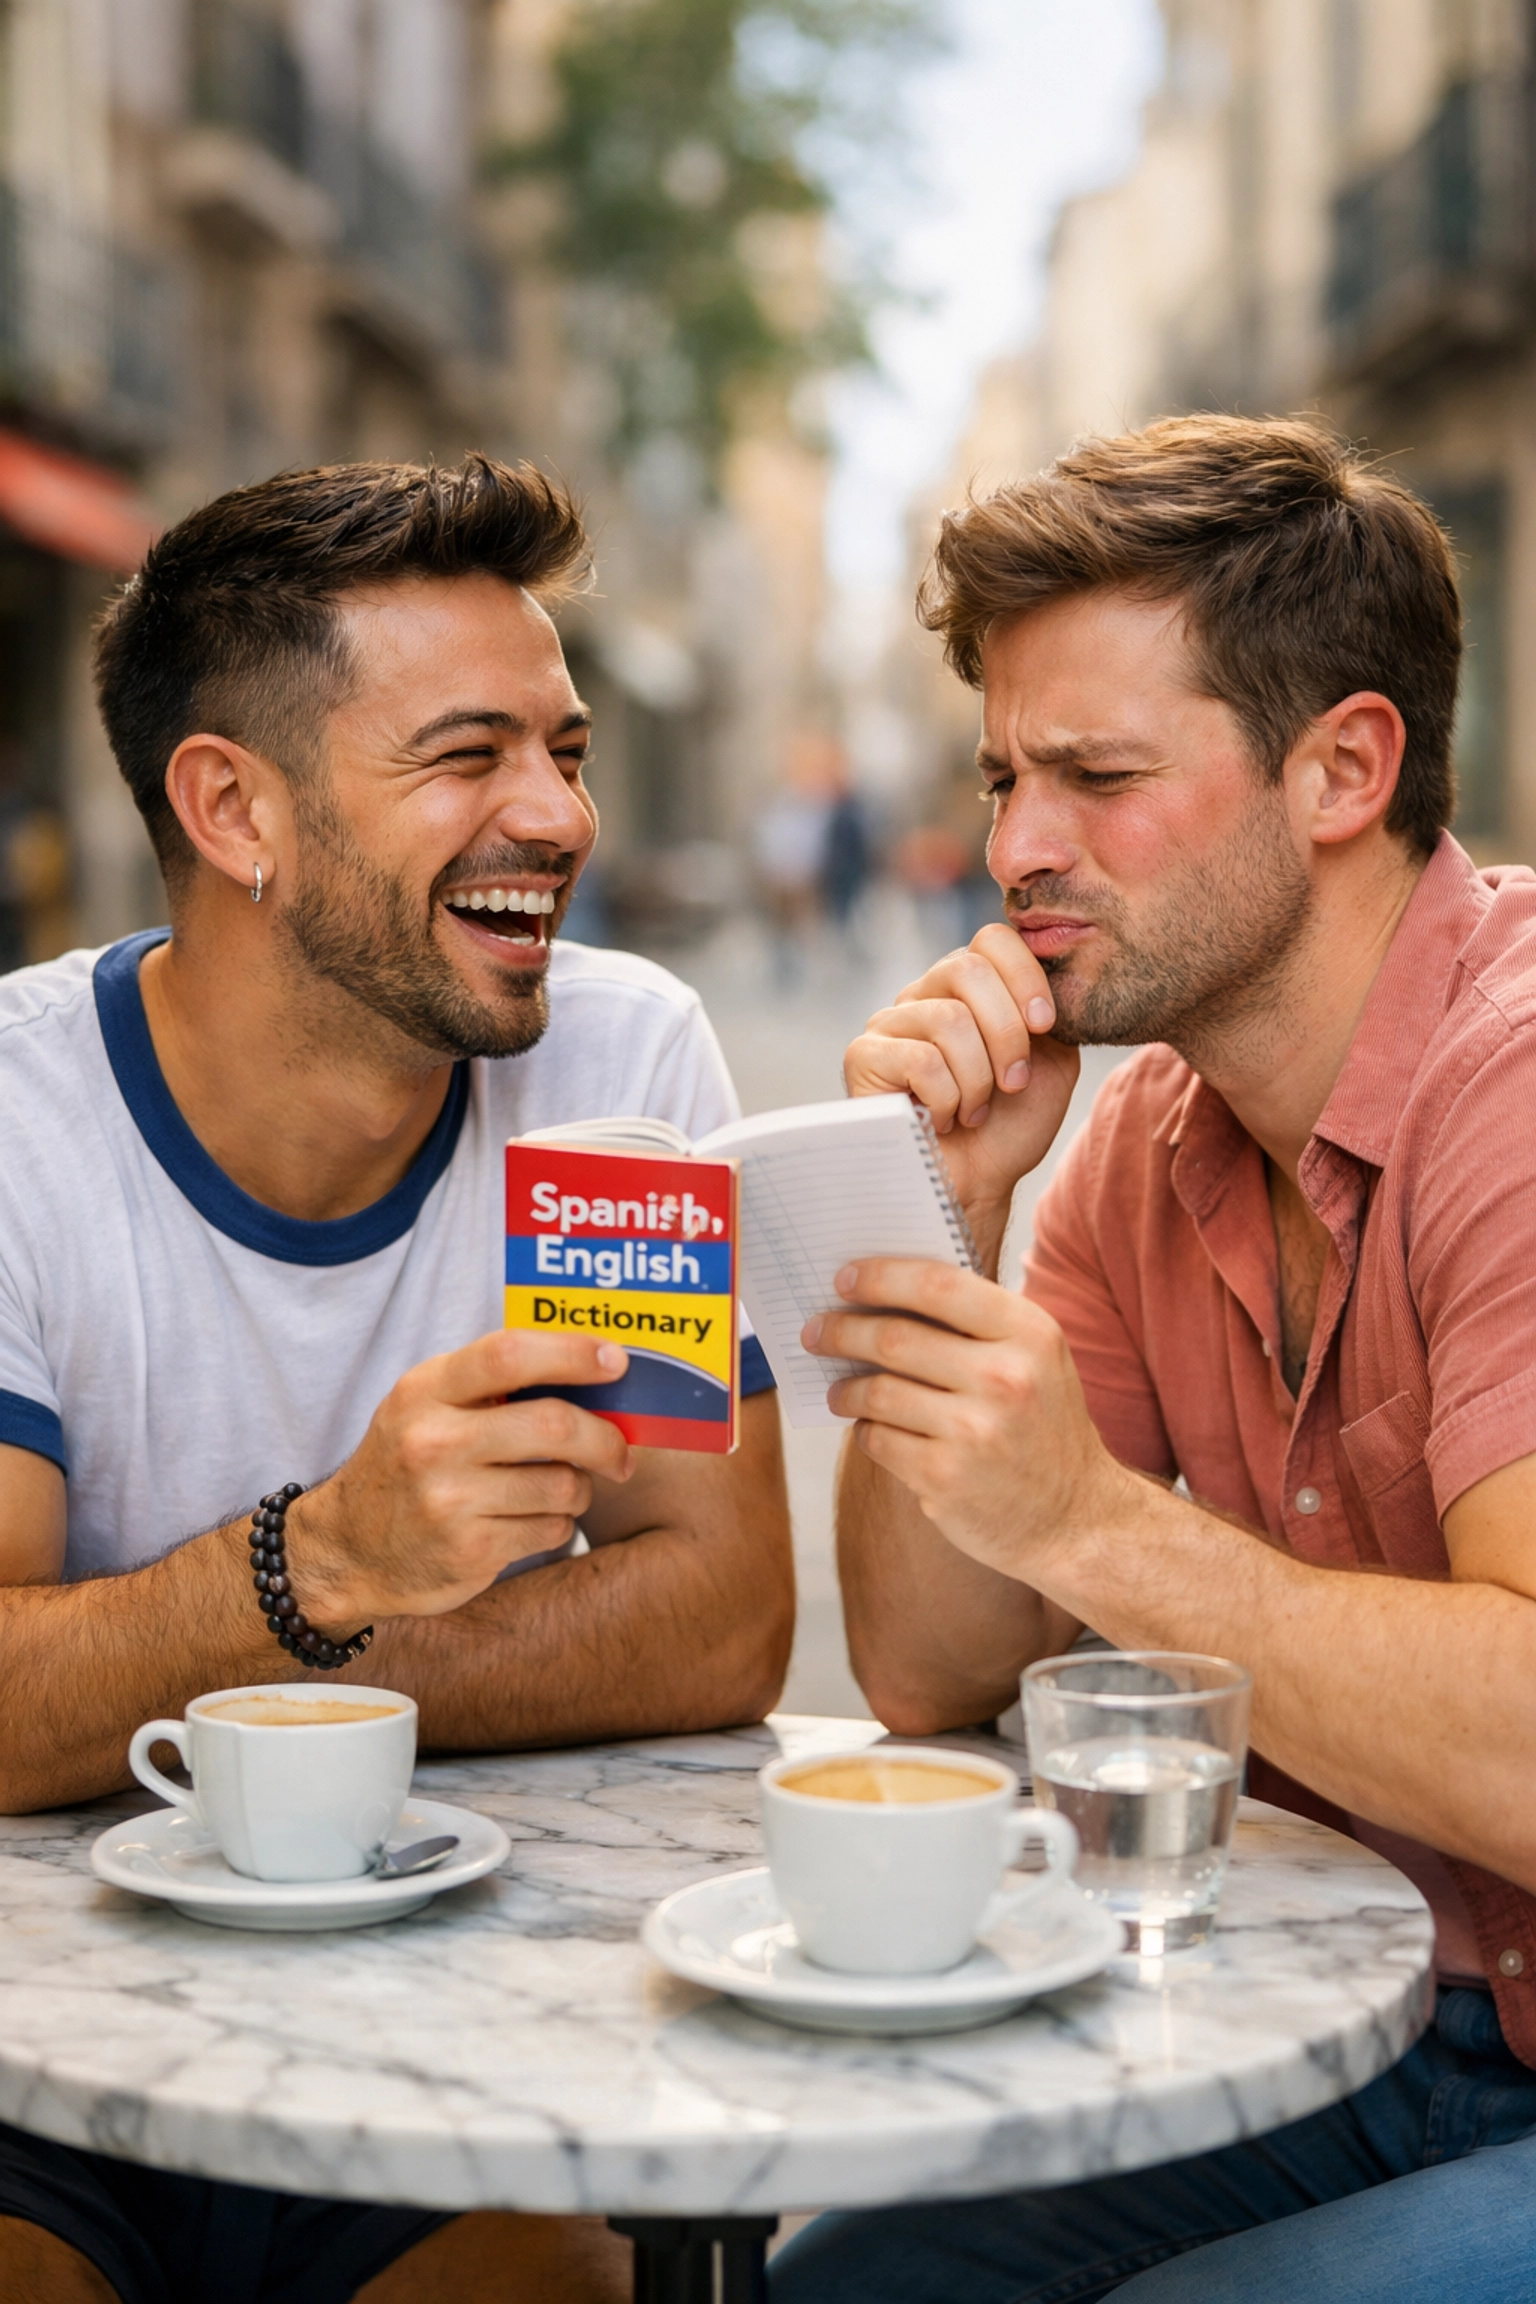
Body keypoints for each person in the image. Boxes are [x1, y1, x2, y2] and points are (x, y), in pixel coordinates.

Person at [0, 455, 793, 2304]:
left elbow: (722, 1612)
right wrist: (321, 1558)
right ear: (236, 811)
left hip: (472, 2036)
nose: (558, 816)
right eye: (468, 756)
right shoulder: (15, 1119)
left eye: (568, 750)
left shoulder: (612, 1067)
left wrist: (261, 1693)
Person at [775, 415, 1536, 2302]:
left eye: (1098, 777)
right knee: (841, 2290)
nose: (1015, 848)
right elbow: (936, 1669)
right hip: (1360, 2026)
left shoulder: (1512, 1078)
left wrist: (1095, 1526)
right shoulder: (1138, 1133)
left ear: (1343, 767)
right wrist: (933, 1212)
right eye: (1004, 775)